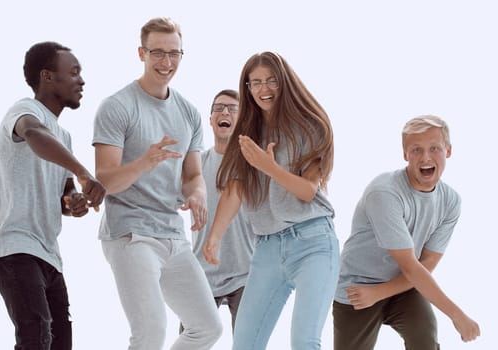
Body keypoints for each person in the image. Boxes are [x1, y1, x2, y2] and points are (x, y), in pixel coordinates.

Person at [92, 17, 222, 350]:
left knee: (207, 328)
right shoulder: (117, 107)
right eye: (158, 53)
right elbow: (106, 179)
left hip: (173, 236)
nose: (167, 63)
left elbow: (193, 175)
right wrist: (144, 162)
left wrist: (197, 195)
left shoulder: (189, 113)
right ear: (142, 53)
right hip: (131, 234)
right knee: (150, 333)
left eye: (174, 54)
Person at [203, 51, 340, 350]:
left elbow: (307, 191)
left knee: (304, 341)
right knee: (245, 344)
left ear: (285, 82)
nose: (264, 89)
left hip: (313, 241)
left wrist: (270, 168)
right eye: (256, 83)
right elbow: (236, 188)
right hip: (266, 248)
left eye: (271, 81)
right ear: (248, 89)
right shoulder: (247, 134)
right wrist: (214, 236)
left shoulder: (311, 126)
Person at [0, 41, 106, 350]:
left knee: (60, 341)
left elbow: (65, 192)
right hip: (14, 243)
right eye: (73, 72)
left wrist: (73, 202)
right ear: (48, 77)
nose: (82, 81)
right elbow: (34, 135)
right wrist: (84, 172)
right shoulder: (25, 110)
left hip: (48, 253)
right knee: (36, 336)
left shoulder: (64, 136)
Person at [333, 115, 480, 350]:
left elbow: (427, 262)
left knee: (425, 339)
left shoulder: (450, 201)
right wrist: (457, 315)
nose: (425, 157)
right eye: (416, 150)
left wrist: (382, 291)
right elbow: (412, 266)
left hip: (403, 286)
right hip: (359, 290)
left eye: (434, 148)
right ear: (405, 154)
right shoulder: (385, 193)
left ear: (448, 151)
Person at [182, 89, 256, 334]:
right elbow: (167, 197)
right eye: (219, 108)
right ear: (211, 119)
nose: (225, 112)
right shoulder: (196, 166)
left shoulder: (254, 164)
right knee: (190, 339)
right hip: (201, 273)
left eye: (232, 109)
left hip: (245, 273)